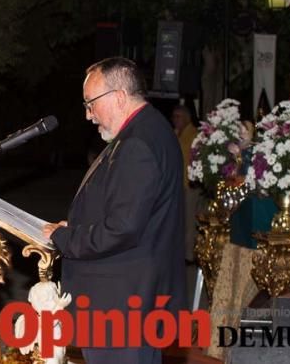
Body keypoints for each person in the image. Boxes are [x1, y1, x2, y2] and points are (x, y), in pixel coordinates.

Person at [42, 57, 185, 364]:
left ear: (119, 97)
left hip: (121, 305)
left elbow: (123, 228)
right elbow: (133, 209)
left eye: (91, 103)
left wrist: (66, 237)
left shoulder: (137, 144)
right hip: (135, 296)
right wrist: (79, 223)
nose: (88, 115)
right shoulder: (151, 129)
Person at [172, 104, 200, 264]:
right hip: (177, 184)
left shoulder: (193, 134)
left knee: (189, 220)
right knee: (180, 221)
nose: (175, 120)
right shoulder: (176, 133)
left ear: (186, 118)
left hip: (189, 183)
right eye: (174, 117)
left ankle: (189, 255)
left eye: (178, 116)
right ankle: (181, 252)